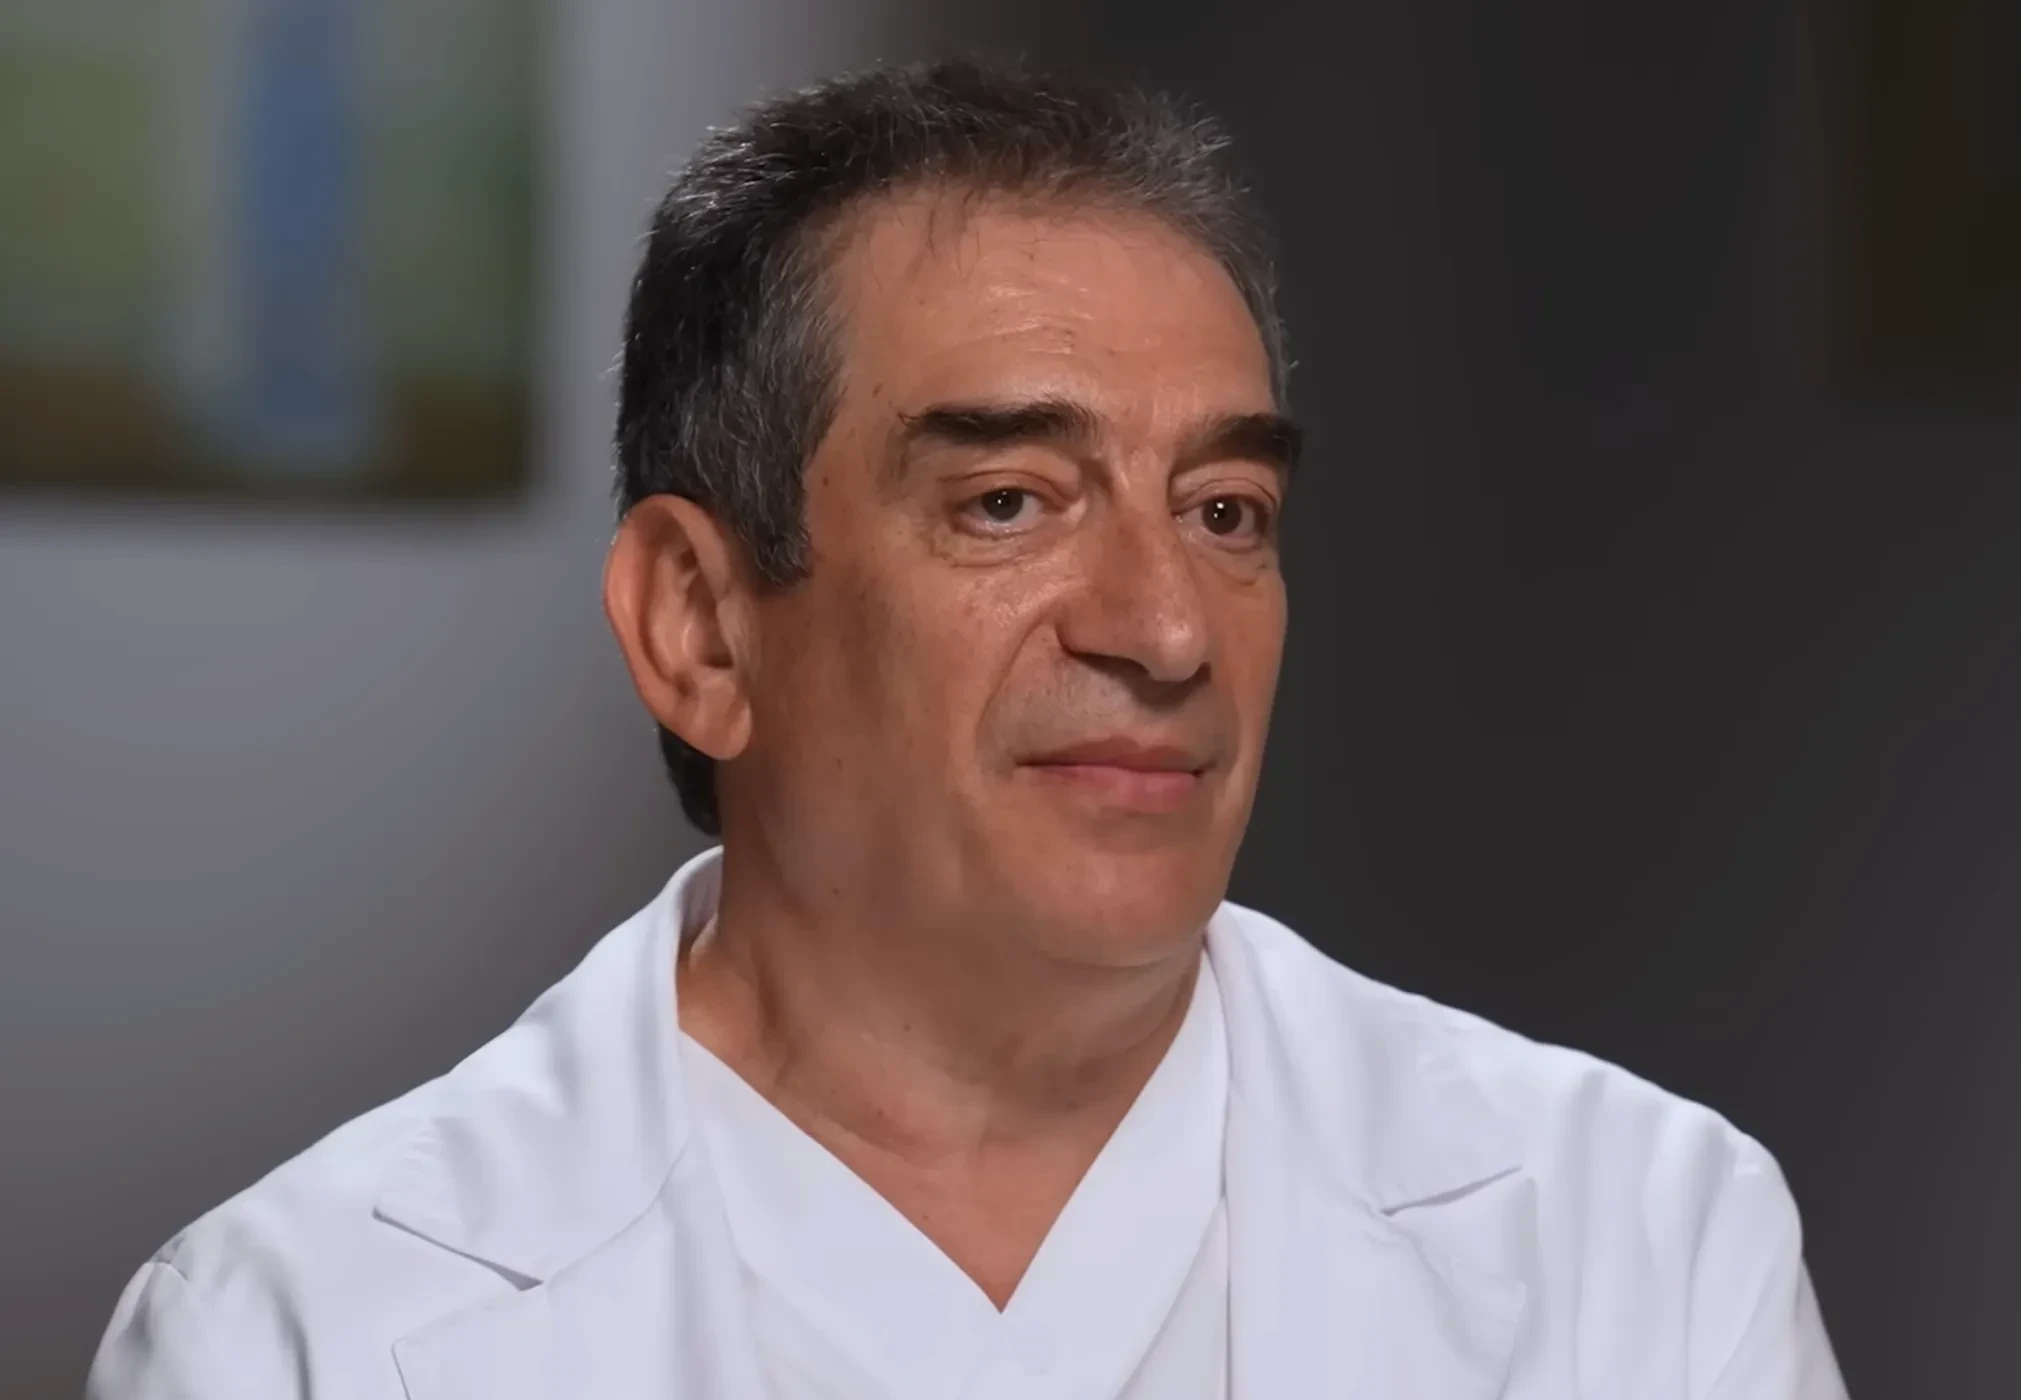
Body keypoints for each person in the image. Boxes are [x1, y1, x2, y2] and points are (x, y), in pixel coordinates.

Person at [88, 59, 1847, 1399]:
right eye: (1009, 503)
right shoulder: (299, 1335)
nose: (1167, 628)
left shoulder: (1636, 1251)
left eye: (1226, 513)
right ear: (699, 625)